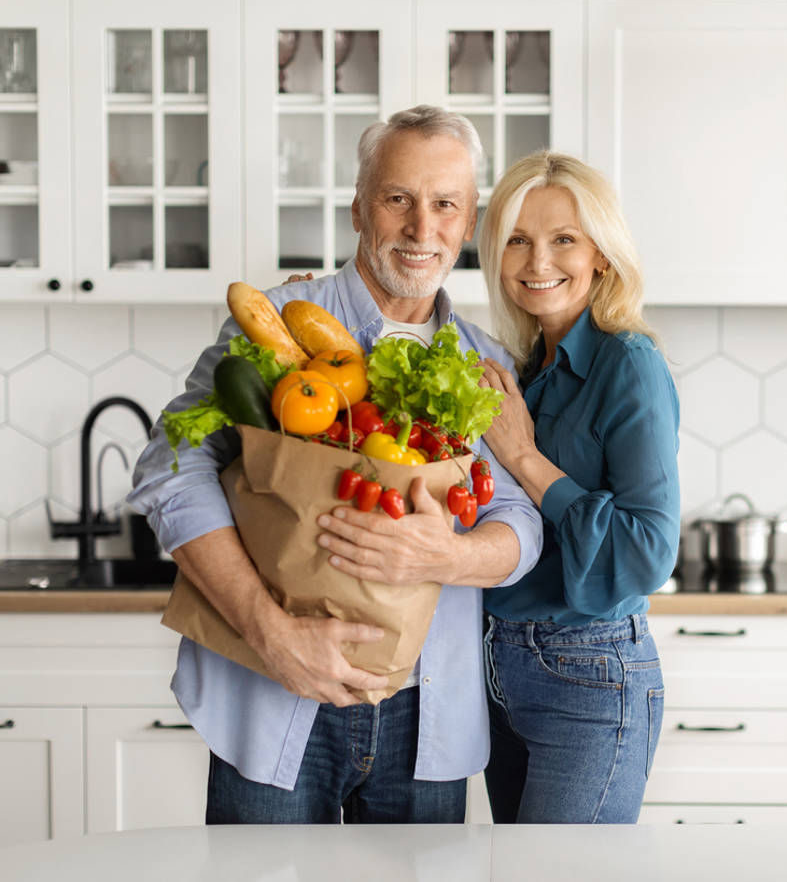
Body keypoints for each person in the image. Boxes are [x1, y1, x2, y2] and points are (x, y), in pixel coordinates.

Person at [128, 106, 543, 825]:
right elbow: (168, 466)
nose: (422, 229)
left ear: (470, 219)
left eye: (445, 204)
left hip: (427, 713)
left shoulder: (488, 362)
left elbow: (520, 520)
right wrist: (270, 631)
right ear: (358, 206)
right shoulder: (281, 322)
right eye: (397, 199)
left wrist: (451, 554)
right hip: (272, 689)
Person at [475, 151, 680, 824]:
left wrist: (525, 459)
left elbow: (650, 550)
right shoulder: (528, 366)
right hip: (502, 666)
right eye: (517, 240)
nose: (539, 262)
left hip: (588, 671)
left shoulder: (629, 364)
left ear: (601, 253)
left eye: (563, 239)